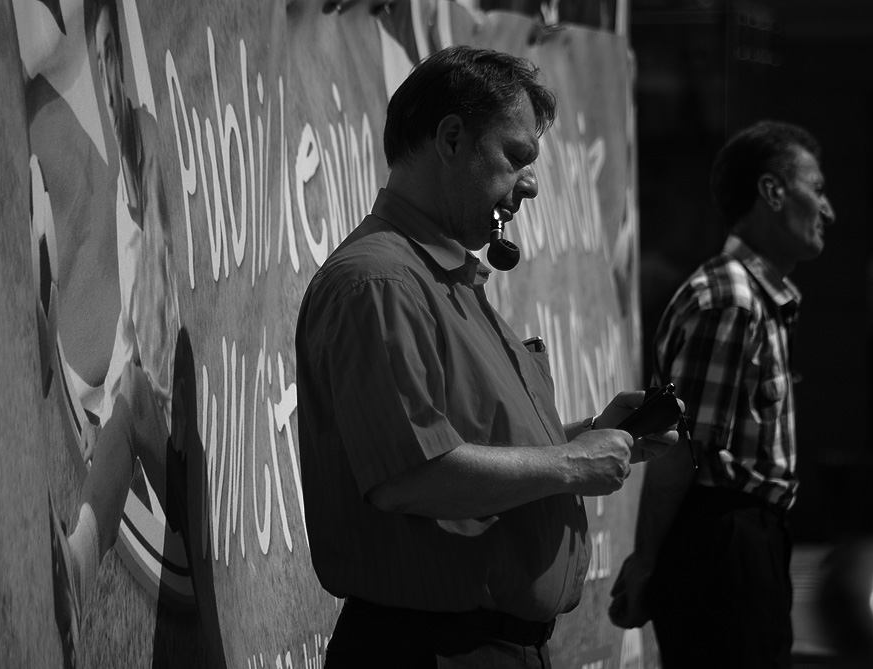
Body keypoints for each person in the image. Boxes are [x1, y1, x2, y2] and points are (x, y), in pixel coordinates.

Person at [295, 45, 679, 668]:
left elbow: (465, 445)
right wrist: (569, 465)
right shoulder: (383, 282)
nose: (530, 184)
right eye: (517, 156)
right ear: (451, 138)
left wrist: (592, 436)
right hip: (434, 650)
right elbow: (410, 477)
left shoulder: (438, 277)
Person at [609, 120, 836, 668]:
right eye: (818, 189)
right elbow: (683, 447)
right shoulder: (732, 298)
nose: (828, 211)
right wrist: (645, 561)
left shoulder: (755, 296)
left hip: (746, 541)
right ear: (773, 192)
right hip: (723, 546)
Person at [47, 0, 186, 664]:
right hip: (144, 437)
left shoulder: (152, 147)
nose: (109, 75)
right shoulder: (85, 159)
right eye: (102, 60)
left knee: (132, 391)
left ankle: (77, 562)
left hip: (200, 444)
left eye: (115, 59)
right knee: (126, 394)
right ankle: (77, 561)